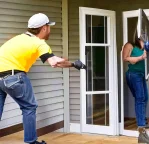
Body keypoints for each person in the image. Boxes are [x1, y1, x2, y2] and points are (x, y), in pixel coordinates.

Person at [0, 13, 86, 144]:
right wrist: (74, 64)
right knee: (29, 107)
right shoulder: (39, 43)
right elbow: (54, 63)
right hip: (14, 77)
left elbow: (52, 59)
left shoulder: (18, 39)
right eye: (49, 26)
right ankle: (31, 141)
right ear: (44, 28)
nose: (50, 30)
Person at [122, 37, 149, 143]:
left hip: (140, 75)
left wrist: (146, 50)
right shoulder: (129, 45)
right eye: (143, 41)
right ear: (138, 40)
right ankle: (141, 130)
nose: (144, 42)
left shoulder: (141, 49)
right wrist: (141, 57)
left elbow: (144, 57)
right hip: (133, 74)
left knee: (144, 97)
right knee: (140, 99)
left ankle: (143, 121)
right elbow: (125, 58)